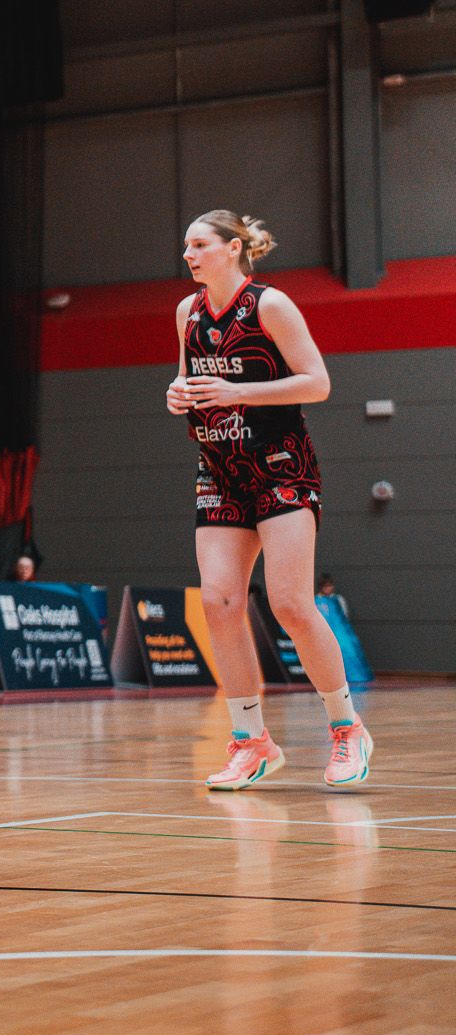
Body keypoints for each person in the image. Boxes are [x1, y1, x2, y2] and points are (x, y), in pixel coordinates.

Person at [167, 211, 369, 788]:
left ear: (233, 248)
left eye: (200, 244)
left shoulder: (270, 305)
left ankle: (347, 727)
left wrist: (238, 391)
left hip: (281, 466)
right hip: (218, 468)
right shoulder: (186, 312)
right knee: (218, 602)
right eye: (187, 246)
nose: (189, 255)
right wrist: (178, 393)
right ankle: (252, 741)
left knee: (290, 604)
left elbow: (317, 382)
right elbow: (189, 378)